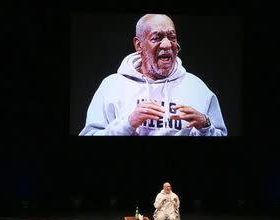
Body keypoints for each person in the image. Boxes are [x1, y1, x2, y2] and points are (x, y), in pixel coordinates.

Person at [79, 13, 227, 136]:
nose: (167, 44)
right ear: (139, 45)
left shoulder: (196, 87)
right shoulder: (112, 86)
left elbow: (221, 135)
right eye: (157, 37)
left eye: (172, 37)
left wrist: (205, 126)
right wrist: (128, 123)